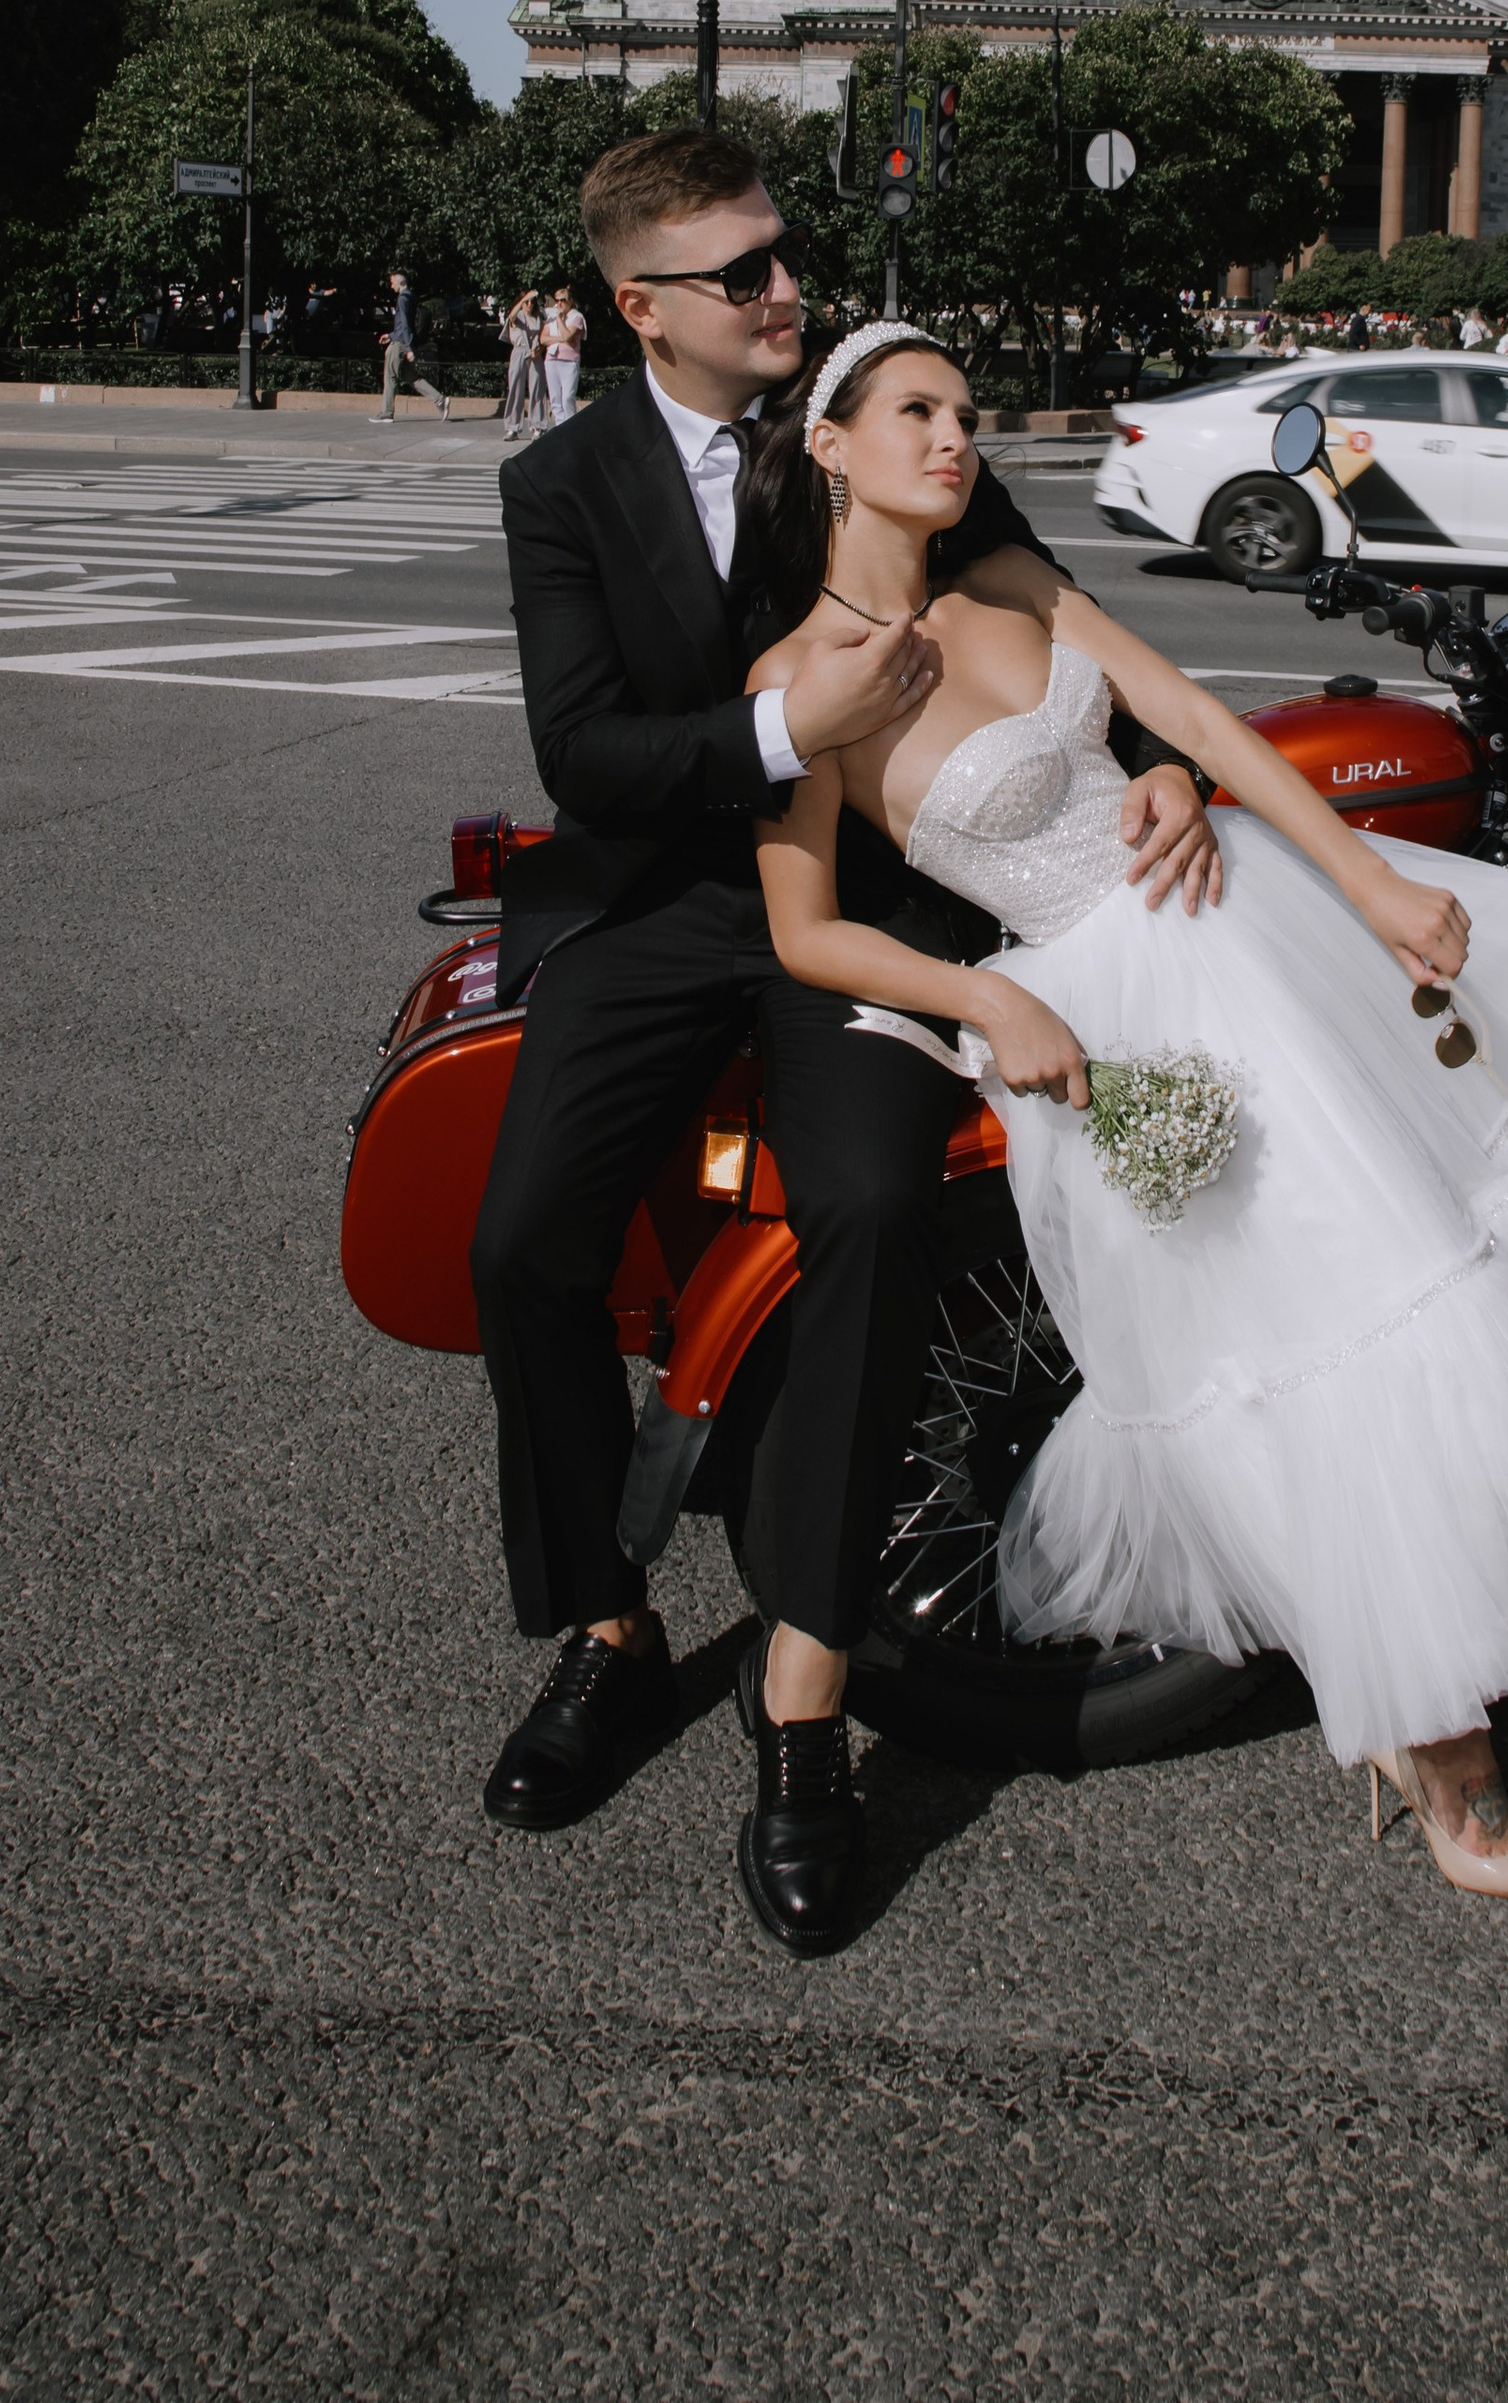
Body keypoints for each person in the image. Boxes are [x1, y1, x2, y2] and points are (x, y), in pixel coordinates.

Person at [745, 326, 1508, 1905]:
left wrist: (1368, 878)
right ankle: (1444, 1763)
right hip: (1106, 1006)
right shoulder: (795, 681)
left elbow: (1209, 726)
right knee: (1335, 1336)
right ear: (830, 446)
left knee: (1489, 1067)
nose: (955, 438)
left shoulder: (1016, 591)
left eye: (966, 415)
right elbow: (805, 930)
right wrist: (988, 1000)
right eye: (917, 413)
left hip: (1239, 915)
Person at [469, 134, 1220, 1956]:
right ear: (638, 307)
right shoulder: (562, 479)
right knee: (520, 1248)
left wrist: (1175, 760)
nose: (781, 291)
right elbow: (584, 756)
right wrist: (781, 726)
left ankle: (804, 1691)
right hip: (666, 906)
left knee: (877, 1205)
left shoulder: (879, 420)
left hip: (873, 918)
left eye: (784, 258)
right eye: (741, 276)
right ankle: (614, 1629)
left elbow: (1058, 615)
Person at [377, 271, 451, 422]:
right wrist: (391, 335)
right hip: (404, 340)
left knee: (390, 377)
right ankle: (439, 399)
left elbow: (404, 324)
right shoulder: (411, 297)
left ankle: (387, 413)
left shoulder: (402, 299)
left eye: (393, 283)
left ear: (400, 283)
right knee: (411, 377)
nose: (391, 286)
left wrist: (408, 347)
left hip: (400, 344)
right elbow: (407, 325)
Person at [501, 289, 545, 441]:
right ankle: (512, 427)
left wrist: (540, 350)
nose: (529, 304)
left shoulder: (539, 317)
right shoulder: (518, 316)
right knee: (515, 389)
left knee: (537, 390)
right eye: (527, 301)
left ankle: (537, 426)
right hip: (519, 352)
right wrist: (523, 299)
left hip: (535, 354)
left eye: (532, 301)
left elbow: (544, 338)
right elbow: (511, 317)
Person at [540, 281, 586, 424]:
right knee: (555, 397)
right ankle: (560, 425)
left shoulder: (576, 317)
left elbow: (568, 336)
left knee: (567, 397)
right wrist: (560, 338)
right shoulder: (550, 318)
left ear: (570, 301)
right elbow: (543, 339)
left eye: (563, 300)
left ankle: (571, 425)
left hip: (569, 360)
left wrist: (560, 320)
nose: (559, 304)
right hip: (552, 359)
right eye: (557, 300)